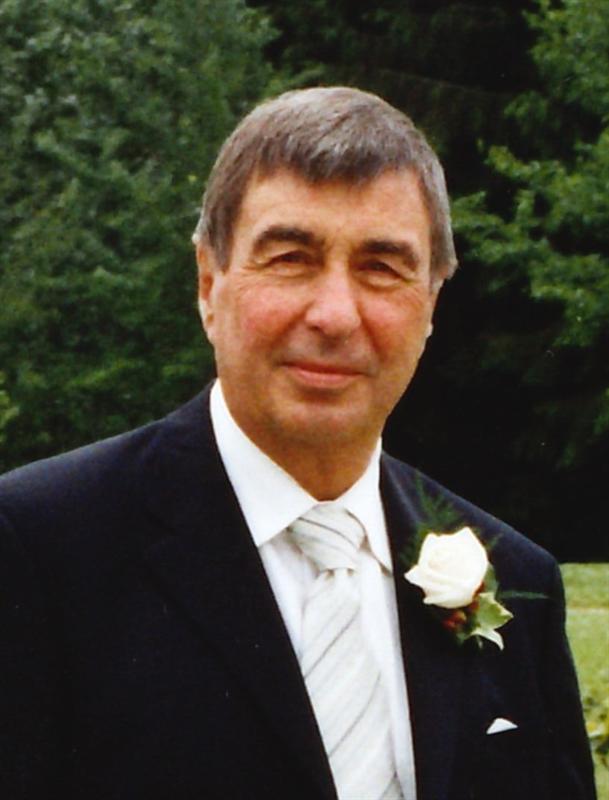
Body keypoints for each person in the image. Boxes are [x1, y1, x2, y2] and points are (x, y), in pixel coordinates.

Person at [0, 87, 596, 800]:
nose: (335, 314)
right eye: (290, 258)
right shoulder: (38, 548)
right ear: (208, 284)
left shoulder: (517, 582)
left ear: (431, 304)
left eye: (381, 267)